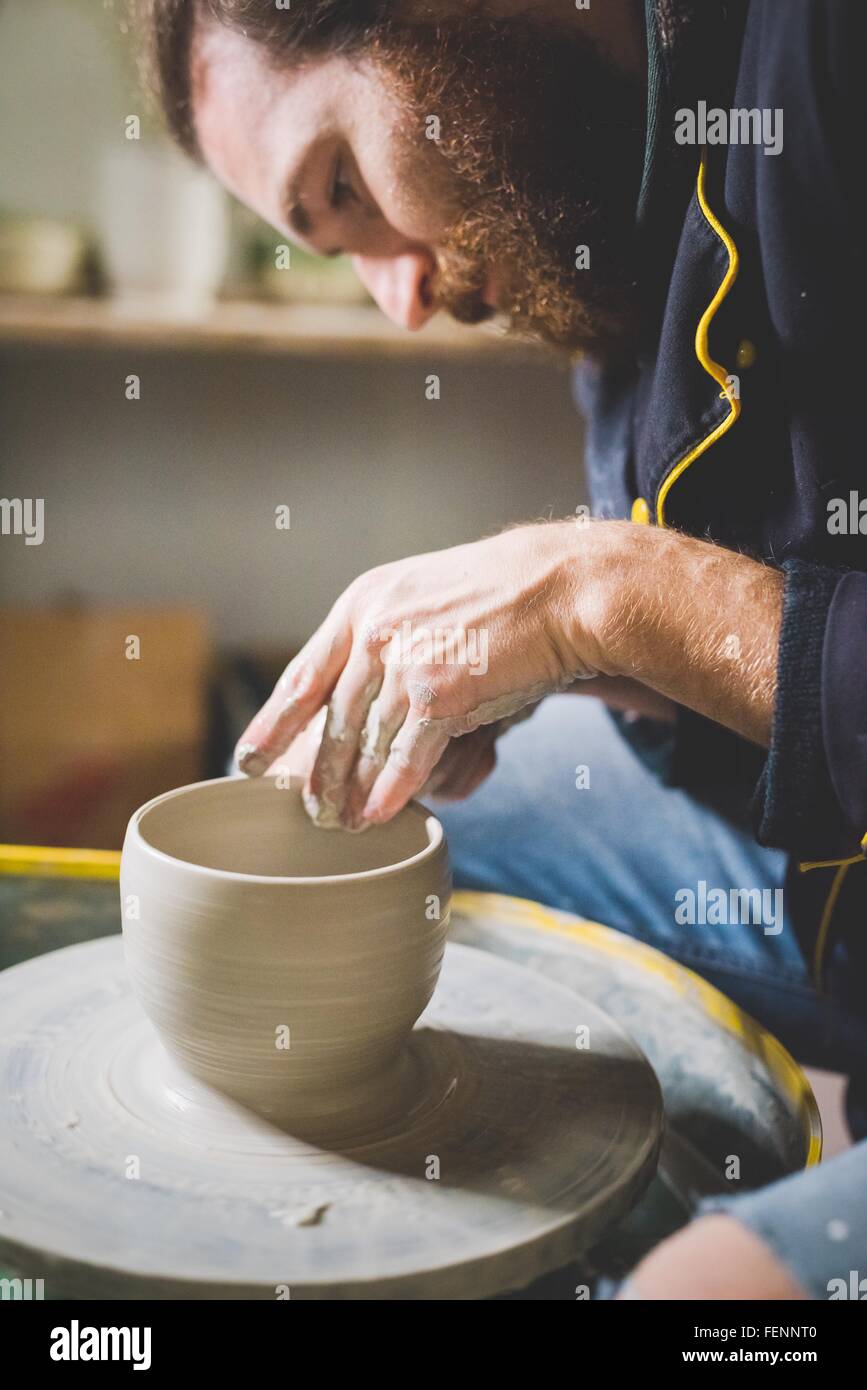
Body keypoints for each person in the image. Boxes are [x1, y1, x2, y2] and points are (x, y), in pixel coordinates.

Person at [138, 0, 867, 1299]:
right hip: (826, 861)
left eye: (345, 185)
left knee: (703, 1301)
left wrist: (611, 595)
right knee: (338, 839)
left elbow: (678, 596)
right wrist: (599, 664)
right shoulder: (607, 158)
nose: (401, 298)